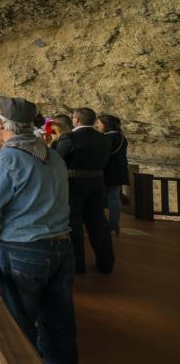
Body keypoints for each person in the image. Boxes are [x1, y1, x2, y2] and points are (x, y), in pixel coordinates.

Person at [0, 97, 77, 364]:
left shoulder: (7, 159)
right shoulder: (53, 156)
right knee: (58, 323)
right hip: (62, 247)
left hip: (22, 252)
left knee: (17, 325)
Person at [55, 107, 114, 274]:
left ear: (77, 120)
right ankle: (106, 263)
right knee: (98, 222)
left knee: (73, 223)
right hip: (97, 183)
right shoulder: (104, 138)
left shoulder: (69, 137)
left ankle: (77, 264)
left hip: (73, 183)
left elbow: (57, 160)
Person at [96, 114, 128, 235]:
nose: (97, 125)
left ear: (105, 124)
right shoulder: (122, 137)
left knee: (99, 198)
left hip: (107, 171)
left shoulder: (106, 138)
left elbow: (102, 156)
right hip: (119, 171)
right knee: (114, 197)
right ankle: (114, 223)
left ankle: (102, 224)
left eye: (98, 123)